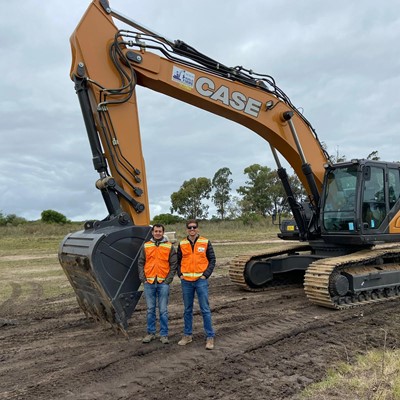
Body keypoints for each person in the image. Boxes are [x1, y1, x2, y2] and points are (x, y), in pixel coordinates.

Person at [177, 219, 216, 350]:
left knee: (205, 309)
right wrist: (180, 274)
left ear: (197, 229)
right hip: (186, 281)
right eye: (190, 227)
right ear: (186, 229)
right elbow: (177, 261)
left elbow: (212, 260)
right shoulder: (182, 244)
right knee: (187, 310)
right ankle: (187, 335)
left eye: (194, 227)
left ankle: (210, 337)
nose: (192, 230)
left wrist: (206, 275)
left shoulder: (205, 242)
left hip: (201, 280)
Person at [138, 224, 177, 344]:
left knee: (163, 310)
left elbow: (173, 264)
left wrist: (168, 280)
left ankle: (164, 334)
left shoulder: (169, 246)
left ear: (163, 232)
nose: (158, 233)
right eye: (156, 231)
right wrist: (143, 279)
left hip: (163, 283)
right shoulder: (146, 246)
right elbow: (140, 262)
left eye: (160, 231)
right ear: (152, 232)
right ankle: (151, 333)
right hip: (149, 282)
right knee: (150, 310)